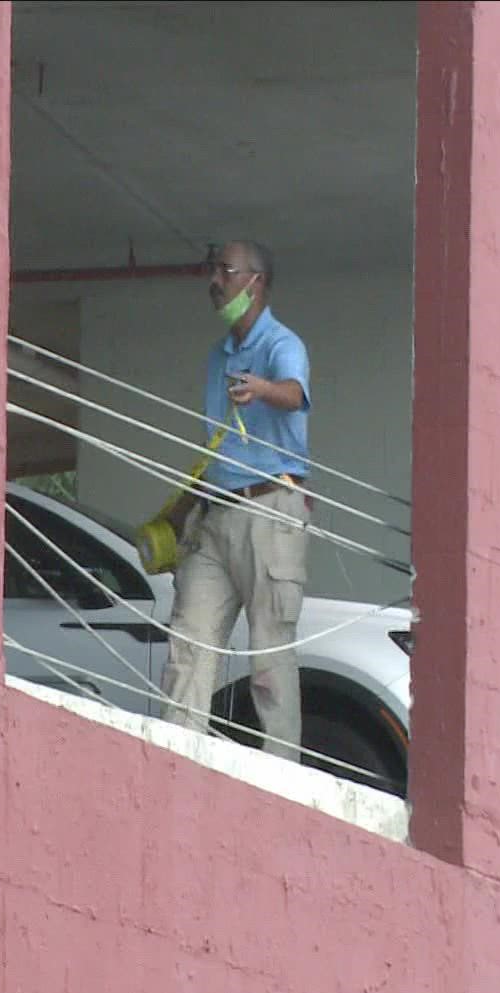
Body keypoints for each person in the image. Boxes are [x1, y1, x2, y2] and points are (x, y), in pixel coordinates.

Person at [154, 240, 312, 763]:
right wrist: (179, 510)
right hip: (215, 511)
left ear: (256, 282)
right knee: (189, 642)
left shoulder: (282, 342)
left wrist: (263, 388)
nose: (214, 282)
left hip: (270, 510)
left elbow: (294, 391)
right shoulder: (216, 356)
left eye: (224, 271)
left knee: (269, 652)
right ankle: (178, 754)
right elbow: (216, 443)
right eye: (212, 271)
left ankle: (283, 770)